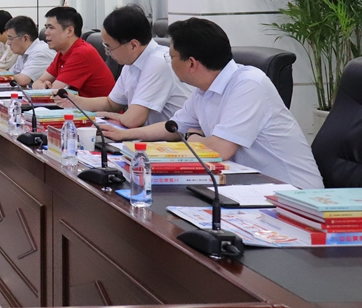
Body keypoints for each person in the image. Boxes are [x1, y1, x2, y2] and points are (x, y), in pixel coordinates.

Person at [102, 18, 322, 189]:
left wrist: (192, 137)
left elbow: (220, 149)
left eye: (171, 56)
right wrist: (124, 136)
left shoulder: (249, 84)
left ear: (191, 63)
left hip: (292, 194)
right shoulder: (203, 89)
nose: (169, 62)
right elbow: (173, 127)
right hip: (246, 185)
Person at [58, 5, 189, 127]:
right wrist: (73, 100)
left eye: (109, 47)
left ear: (133, 45)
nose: (107, 53)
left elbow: (133, 120)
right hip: (148, 136)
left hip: (174, 139)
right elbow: (111, 103)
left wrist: (101, 115)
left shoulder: (159, 62)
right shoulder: (132, 61)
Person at [31, 6, 115, 97]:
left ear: (69, 31)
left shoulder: (82, 53)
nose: (46, 33)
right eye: (46, 27)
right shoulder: (62, 52)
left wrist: (45, 88)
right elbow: (37, 83)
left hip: (95, 106)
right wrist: (41, 86)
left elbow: (55, 92)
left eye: (51, 28)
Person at [5, 16, 57, 86]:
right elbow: (11, 74)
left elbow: (22, 80)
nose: (8, 43)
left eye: (10, 38)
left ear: (25, 38)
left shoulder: (40, 51)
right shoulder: (23, 53)